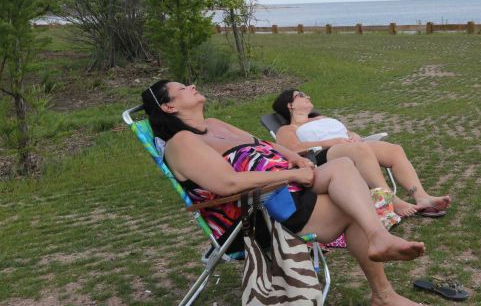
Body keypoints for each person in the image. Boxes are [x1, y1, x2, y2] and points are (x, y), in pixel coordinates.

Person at [141, 80, 425, 306]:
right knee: (353, 209)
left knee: (344, 166)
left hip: (286, 191)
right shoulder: (181, 143)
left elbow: (263, 142)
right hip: (258, 213)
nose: (191, 86)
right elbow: (227, 184)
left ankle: (379, 240)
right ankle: (384, 293)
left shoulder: (213, 124)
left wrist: (296, 158)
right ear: (168, 107)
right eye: (181, 88)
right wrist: (291, 173)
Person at [272, 88, 451, 218]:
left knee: (394, 150)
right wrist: (331, 142)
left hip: (351, 146)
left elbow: (344, 132)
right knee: (360, 149)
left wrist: (353, 135)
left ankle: (422, 198)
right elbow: (293, 149)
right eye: (301, 95)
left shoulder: (321, 118)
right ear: (290, 105)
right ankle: (391, 200)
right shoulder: (287, 128)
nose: (308, 96)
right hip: (323, 155)